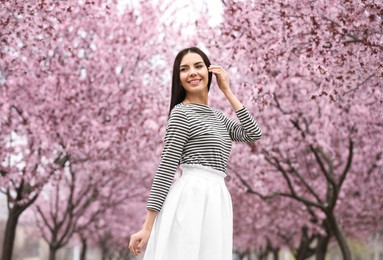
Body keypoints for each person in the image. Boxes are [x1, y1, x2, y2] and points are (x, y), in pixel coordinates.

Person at [129, 47, 262, 260]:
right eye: (184, 69)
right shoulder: (181, 114)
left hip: (217, 196)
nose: (192, 72)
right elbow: (166, 168)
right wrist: (147, 227)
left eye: (198, 66)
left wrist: (227, 91)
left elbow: (253, 133)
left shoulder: (219, 118)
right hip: (191, 197)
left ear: (210, 72)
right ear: (179, 79)